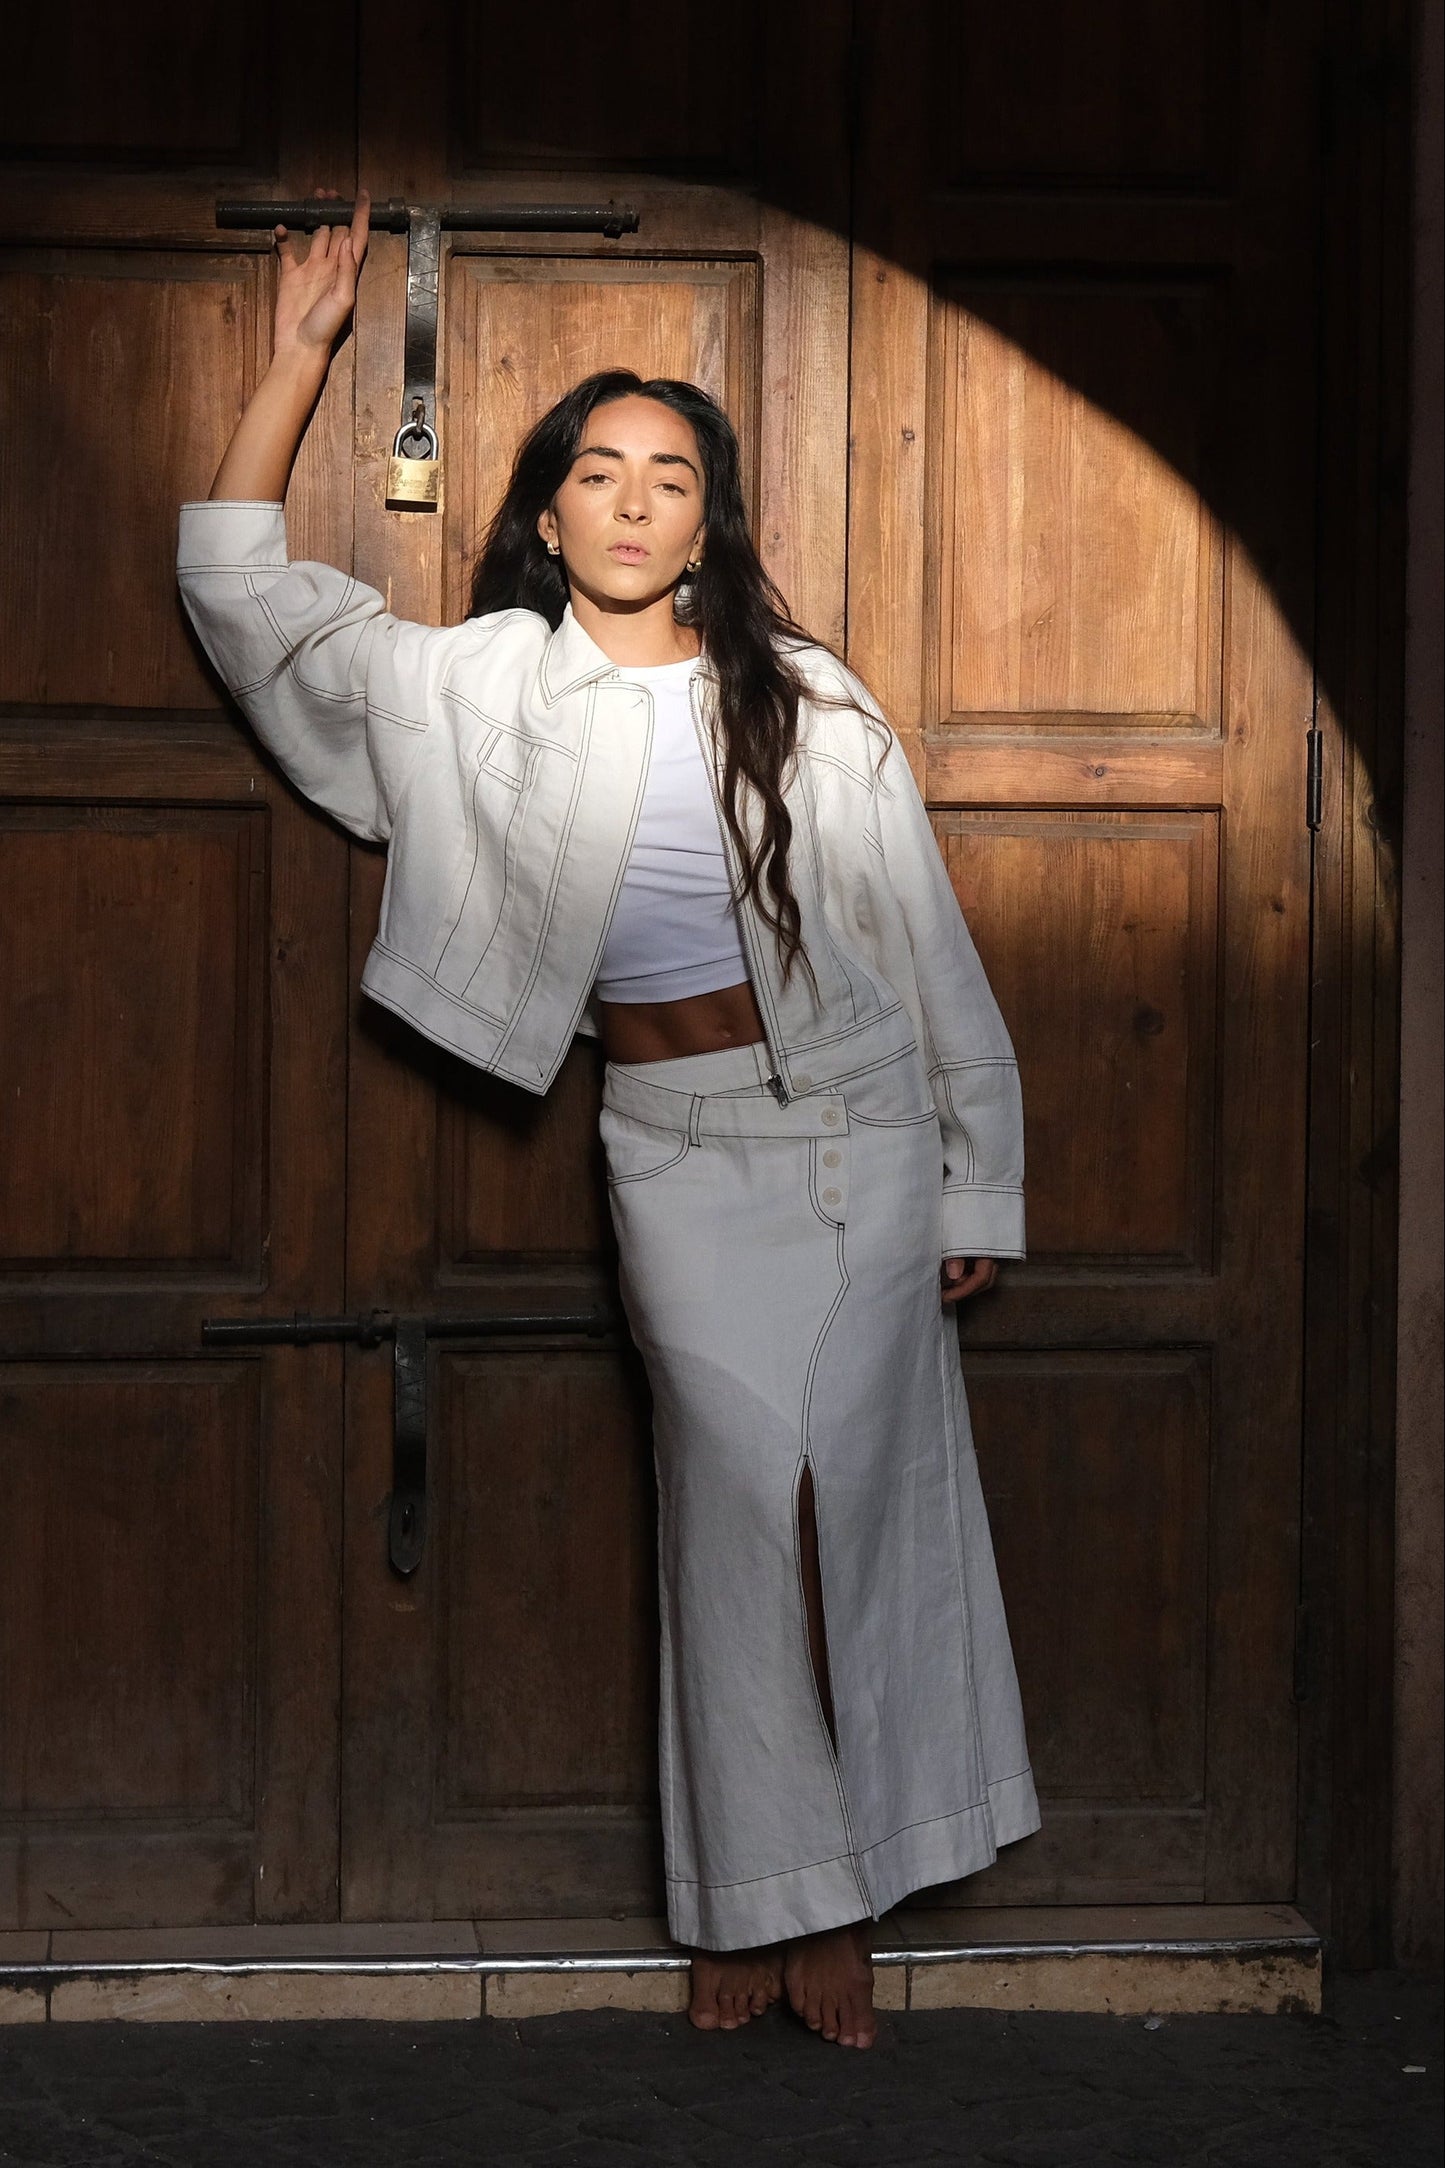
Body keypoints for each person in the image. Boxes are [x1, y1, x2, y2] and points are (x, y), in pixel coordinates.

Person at [177, 188, 1041, 2052]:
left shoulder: (806, 703)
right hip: (677, 1144)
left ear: (706, 518)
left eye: (671, 475)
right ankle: (756, 1901)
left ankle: (833, 1914)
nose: (634, 499)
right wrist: (303, 358)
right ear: (547, 508)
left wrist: (978, 1169)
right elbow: (238, 591)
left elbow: (924, 945)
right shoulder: (471, 685)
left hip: (865, 1135)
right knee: (735, 1511)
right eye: (598, 469)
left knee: (869, 1520)